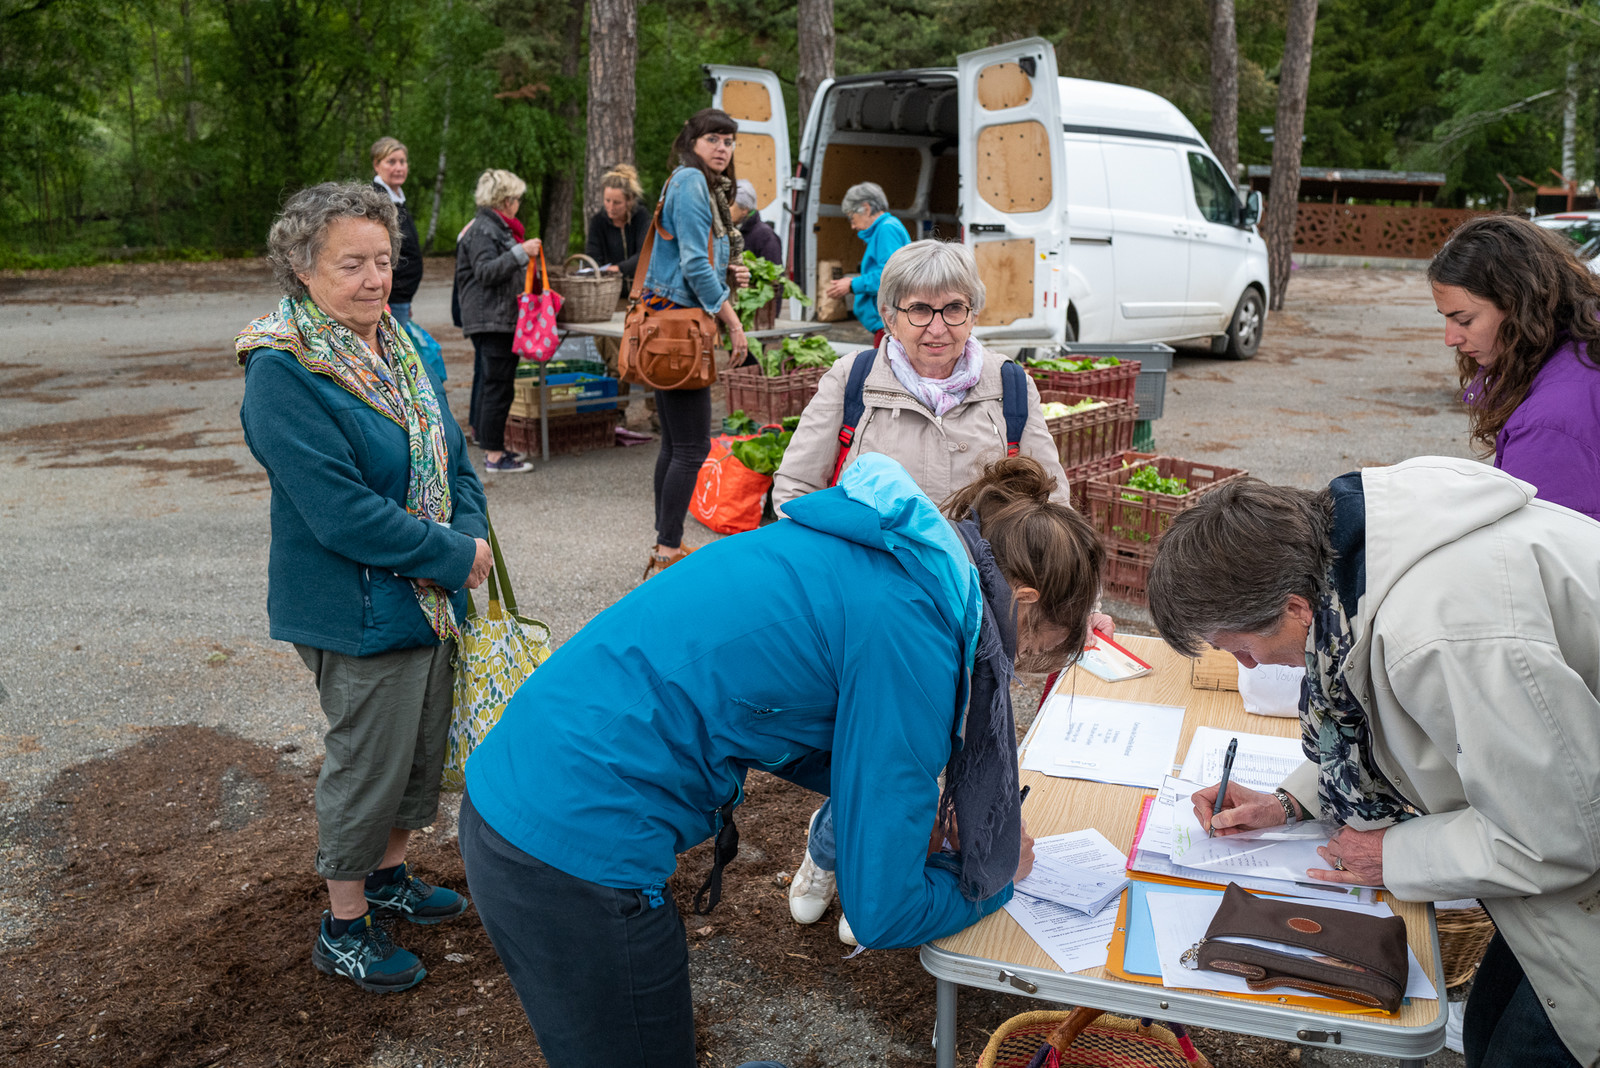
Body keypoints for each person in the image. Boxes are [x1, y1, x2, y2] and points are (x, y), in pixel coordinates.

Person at [459, 453, 1105, 1068]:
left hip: (522, 783)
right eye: (1030, 656)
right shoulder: (915, 630)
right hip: (569, 849)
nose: (1015, 671)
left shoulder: (897, 557)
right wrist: (997, 878)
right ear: (1022, 603)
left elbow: (783, 716)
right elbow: (883, 912)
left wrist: (908, 813)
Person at [1145, 457, 1600, 1068]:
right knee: (1490, 1028)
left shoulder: (1438, 636)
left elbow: (1554, 836)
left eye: (1243, 649)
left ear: (1294, 609)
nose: (1248, 667)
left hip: (1575, 857)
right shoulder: (1351, 568)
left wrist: (1392, 856)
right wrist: (1289, 801)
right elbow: (1386, 726)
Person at [774, 239, 1110, 940]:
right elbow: (796, 491)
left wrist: (1083, 600)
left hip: (980, 614)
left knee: (955, 750)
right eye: (919, 310)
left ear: (973, 311)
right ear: (889, 315)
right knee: (877, 750)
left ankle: (889, 870)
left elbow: (1054, 505)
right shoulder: (854, 380)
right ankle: (830, 853)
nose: (938, 327)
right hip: (873, 613)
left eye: (953, 308)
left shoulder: (1009, 387)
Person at [236, 181, 492, 993]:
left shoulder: (404, 344)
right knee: (368, 766)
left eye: (383, 260)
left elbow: (453, 455)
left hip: (429, 596)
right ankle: (344, 927)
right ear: (302, 268)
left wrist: (471, 534)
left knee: (418, 752)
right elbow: (339, 514)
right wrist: (451, 554)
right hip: (355, 606)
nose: (375, 278)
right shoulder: (283, 370)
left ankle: (388, 877)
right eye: (352, 264)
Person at [638, 108, 752, 579]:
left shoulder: (700, 184)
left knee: (676, 443)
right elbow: (692, 264)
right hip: (679, 332)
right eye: (713, 139)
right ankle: (667, 548)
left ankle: (666, 541)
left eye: (728, 140)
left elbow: (695, 259)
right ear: (692, 142)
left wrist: (728, 274)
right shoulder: (690, 181)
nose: (723, 148)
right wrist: (733, 321)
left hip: (672, 326)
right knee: (691, 446)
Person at [1429, 214, 1600, 520]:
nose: (1450, 339)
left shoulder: (1549, 424)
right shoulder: (1584, 339)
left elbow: (1543, 541)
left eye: (1464, 320)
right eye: (1446, 318)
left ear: (1518, 306)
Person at [455, 168, 542, 473]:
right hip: (491, 319)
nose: (518, 204)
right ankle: (494, 456)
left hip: (497, 318)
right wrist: (521, 253)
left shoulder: (494, 227)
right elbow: (485, 271)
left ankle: (491, 444)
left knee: (493, 384)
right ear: (506, 201)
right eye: (517, 199)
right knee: (498, 387)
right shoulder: (484, 229)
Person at [823, 181, 911, 347]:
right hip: (886, 324)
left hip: (887, 325)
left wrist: (852, 284)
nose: (852, 225)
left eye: (852, 217)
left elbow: (891, 276)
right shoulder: (886, 227)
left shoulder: (886, 229)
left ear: (866, 208)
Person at [371, 137, 424, 328]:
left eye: (402, 162)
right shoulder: (377, 200)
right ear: (377, 165)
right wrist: (384, 298)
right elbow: (376, 250)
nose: (399, 168)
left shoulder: (397, 199)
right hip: (390, 298)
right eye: (391, 162)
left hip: (401, 298)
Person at [584, 163, 651, 287]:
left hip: (641, 288)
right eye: (607, 201)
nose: (611, 207)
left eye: (617, 203)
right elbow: (592, 256)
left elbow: (645, 254)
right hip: (608, 290)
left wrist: (619, 269)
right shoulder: (598, 222)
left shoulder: (642, 217)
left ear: (629, 200)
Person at [731, 178, 782, 268]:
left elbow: (774, 274)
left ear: (744, 210)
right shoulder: (728, 230)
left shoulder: (765, 236)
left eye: (730, 205)